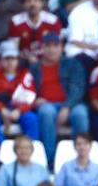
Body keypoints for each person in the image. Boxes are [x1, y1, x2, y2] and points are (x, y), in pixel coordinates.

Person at [31, 34, 91, 167]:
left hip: (72, 104)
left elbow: (78, 88)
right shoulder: (34, 68)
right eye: (47, 46)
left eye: (55, 46)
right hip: (46, 105)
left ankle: (81, 159)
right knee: (46, 112)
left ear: (62, 47)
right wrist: (34, 99)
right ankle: (50, 161)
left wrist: (66, 107)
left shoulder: (73, 64)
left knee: (80, 113)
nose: (51, 49)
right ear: (42, 48)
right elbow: (27, 88)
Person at [0, 42, 39, 143]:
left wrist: (19, 110)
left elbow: (31, 99)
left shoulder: (25, 75)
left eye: (13, 59)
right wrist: (1, 108)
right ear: (0, 60)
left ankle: (30, 150)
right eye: (7, 59)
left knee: (31, 119)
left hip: (18, 110)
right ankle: (1, 149)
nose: (10, 62)